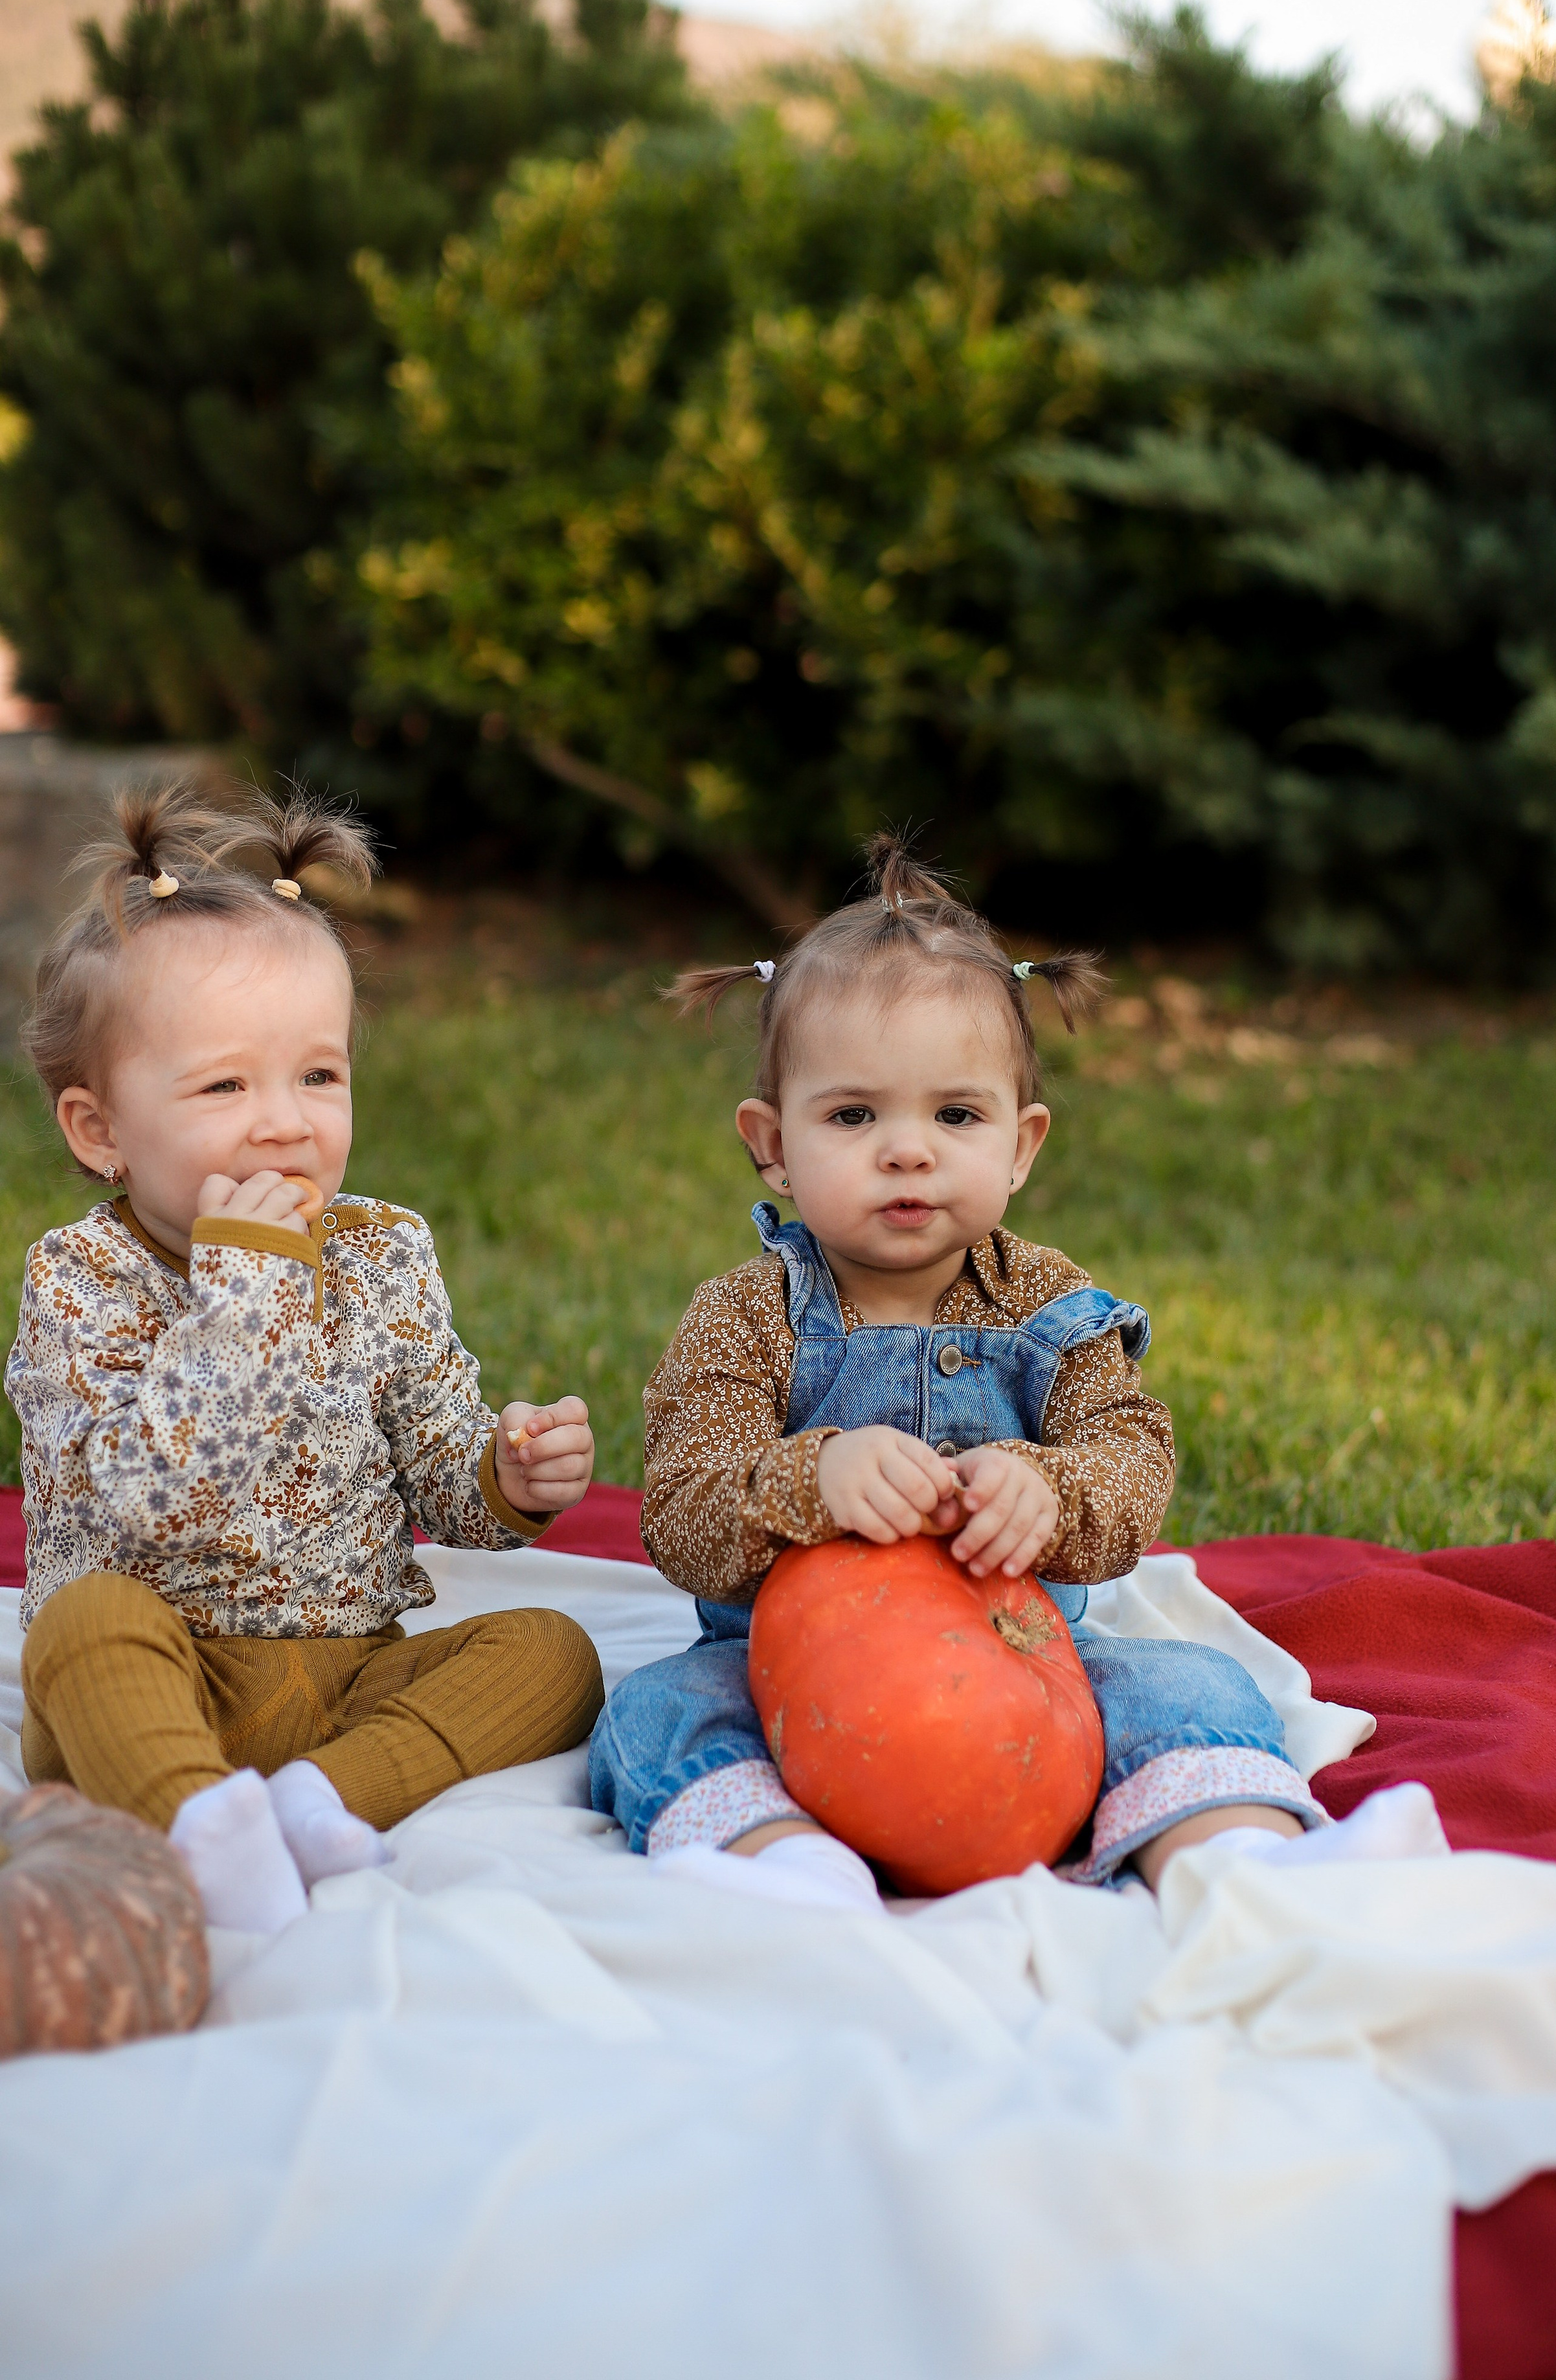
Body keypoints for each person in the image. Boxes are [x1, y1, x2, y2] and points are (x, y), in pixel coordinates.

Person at [590, 837, 1445, 1914]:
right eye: (854, 1115)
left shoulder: (1047, 1303)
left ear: (1022, 1144)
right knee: (657, 1715)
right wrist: (810, 1478)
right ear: (771, 1144)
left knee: (1188, 1685)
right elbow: (678, 1507)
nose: (908, 1150)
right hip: (790, 1670)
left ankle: (1240, 1863)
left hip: (1028, 1656)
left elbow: (1131, 1456)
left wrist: (1053, 1490)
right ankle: (788, 1869)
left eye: (956, 1115)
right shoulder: (745, 1317)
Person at [6, 784, 603, 1934]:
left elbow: (434, 1464)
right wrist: (251, 1280)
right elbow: (140, 1506)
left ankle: (320, 1801)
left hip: (349, 1673)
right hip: (161, 1669)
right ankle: (194, 1821)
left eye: (317, 1076)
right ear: (101, 1131)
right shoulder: (79, 1280)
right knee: (85, 1630)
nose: (285, 1121)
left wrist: (504, 1474)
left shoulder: (382, 1251)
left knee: (554, 1653)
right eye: (225, 1085)